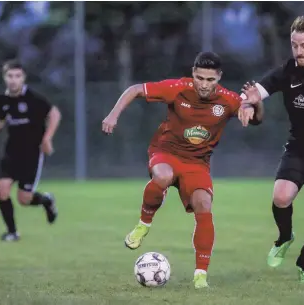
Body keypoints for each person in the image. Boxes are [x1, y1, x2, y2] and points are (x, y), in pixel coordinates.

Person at [102, 51, 264, 288]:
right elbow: (135, 89)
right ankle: (143, 225)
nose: (204, 85)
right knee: (163, 175)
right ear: (193, 74)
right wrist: (113, 115)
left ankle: (200, 276)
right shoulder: (177, 88)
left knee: (204, 206)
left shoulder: (229, 100)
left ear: (219, 78)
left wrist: (256, 104)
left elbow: (257, 120)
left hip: (197, 164)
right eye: (200, 78)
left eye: (210, 80)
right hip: (166, 152)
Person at [241, 16, 304, 283]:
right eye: (295, 45)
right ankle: (285, 237)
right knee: (281, 196)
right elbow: (257, 91)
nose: (299, 52)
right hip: (300, 147)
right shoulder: (288, 70)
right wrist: (247, 103)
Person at [0, 59, 61, 241]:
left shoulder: (34, 99)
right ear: (4, 78)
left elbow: (54, 114)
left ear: (23, 78)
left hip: (31, 154)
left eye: (17, 76)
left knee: (24, 199)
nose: (13, 80)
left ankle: (46, 201)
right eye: (10, 76)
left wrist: (47, 138)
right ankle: (12, 232)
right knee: (2, 190)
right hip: (10, 153)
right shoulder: (0, 100)